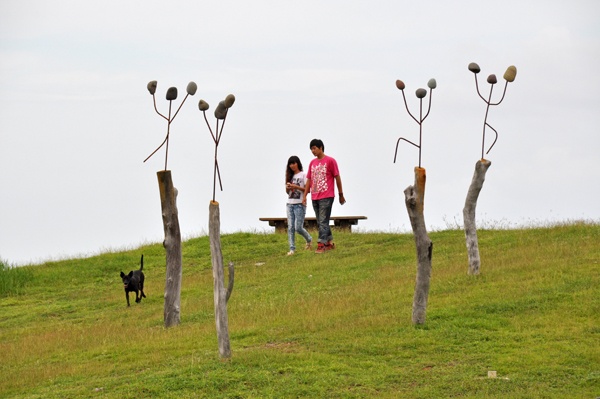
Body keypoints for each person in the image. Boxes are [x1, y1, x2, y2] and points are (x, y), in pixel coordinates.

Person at [302, 139, 345, 253]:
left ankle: (321, 244)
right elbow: (309, 180)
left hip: (327, 195)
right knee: (321, 221)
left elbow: (337, 177)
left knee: (322, 221)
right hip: (315, 197)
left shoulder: (330, 161)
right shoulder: (312, 163)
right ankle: (329, 243)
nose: (313, 151)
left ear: (321, 148)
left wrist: (341, 194)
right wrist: (305, 195)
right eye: (311, 149)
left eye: (315, 148)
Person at [285, 155, 313, 255]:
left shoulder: (303, 175)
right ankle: (292, 249)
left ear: (298, 163)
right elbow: (287, 192)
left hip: (300, 204)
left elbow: (307, 189)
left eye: (294, 163)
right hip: (290, 203)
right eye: (290, 164)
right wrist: (288, 188)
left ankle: (309, 239)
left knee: (298, 227)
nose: (292, 165)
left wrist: (295, 186)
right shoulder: (289, 176)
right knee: (290, 227)